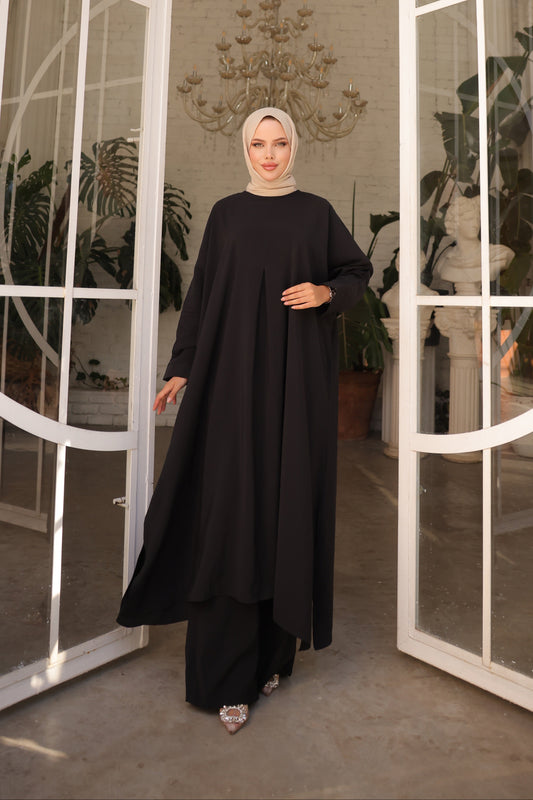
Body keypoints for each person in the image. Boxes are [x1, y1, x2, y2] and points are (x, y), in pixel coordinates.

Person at [117, 107, 372, 734]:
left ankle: (271, 656)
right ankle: (225, 679)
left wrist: (324, 294)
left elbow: (356, 271)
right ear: (244, 148)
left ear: (293, 146)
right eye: (258, 144)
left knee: (281, 510)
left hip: (296, 390)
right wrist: (183, 365)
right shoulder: (227, 214)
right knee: (231, 517)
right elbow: (203, 293)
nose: (268, 154)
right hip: (229, 389)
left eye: (279, 143)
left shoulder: (315, 212)